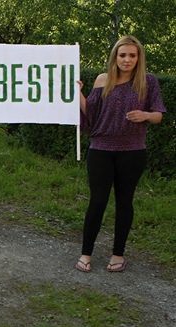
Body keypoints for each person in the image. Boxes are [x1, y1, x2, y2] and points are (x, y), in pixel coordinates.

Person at [76, 35, 165, 273]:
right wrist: (78, 94)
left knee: (124, 202)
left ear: (139, 58)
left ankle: (118, 255)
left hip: (133, 152)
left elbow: (158, 114)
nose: (127, 60)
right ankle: (86, 253)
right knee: (97, 202)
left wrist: (145, 115)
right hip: (101, 150)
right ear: (115, 57)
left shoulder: (148, 82)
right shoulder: (102, 79)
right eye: (122, 55)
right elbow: (91, 113)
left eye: (132, 55)